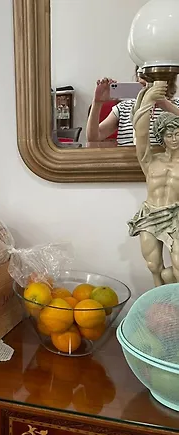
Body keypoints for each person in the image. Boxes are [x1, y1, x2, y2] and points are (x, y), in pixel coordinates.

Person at [128, 81, 179, 286]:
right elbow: (141, 136)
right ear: (162, 136)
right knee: (153, 265)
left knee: (177, 266)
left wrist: (163, 102)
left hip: (176, 215)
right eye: (169, 135)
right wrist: (148, 100)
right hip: (150, 214)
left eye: (178, 134)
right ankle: (158, 300)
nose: (174, 139)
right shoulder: (150, 161)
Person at [86, 67, 179, 145]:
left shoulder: (176, 105)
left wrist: (163, 103)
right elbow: (93, 137)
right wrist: (97, 103)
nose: (147, 79)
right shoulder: (123, 107)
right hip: (127, 159)